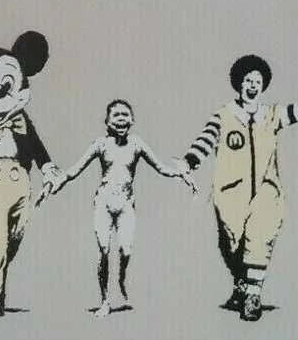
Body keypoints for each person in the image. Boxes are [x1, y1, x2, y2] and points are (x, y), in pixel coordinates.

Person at [173, 53, 298, 321]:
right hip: (230, 193)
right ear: (239, 83)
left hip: (266, 190)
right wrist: (188, 162)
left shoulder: (272, 115)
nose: (252, 85)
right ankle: (241, 284)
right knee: (230, 245)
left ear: (263, 85)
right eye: (248, 80)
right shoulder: (224, 115)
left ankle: (253, 295)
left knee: (260, 235)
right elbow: (205, 140)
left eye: (257, 81)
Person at [44, 99, 197, 317]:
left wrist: (182, 174)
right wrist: (54, 184)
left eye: (125, 115)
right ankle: (105, 301)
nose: (121, 119)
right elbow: (74, 171)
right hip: (103, 203)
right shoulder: (100, 144)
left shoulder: (137, 143)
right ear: (107, 121)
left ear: (132, 120)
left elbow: (161, 168)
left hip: (126, 204)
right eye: (116, 115)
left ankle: (121, 277)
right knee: (104, 250)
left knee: (126, 250)